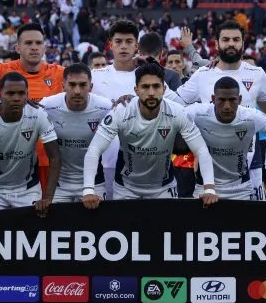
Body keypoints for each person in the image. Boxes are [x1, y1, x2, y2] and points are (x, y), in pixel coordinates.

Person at [176, 21, 266, 200]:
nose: (231, 43)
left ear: (243, 44)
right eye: (226, 39)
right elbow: (176, 103)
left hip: (250, 162)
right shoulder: (203, 74)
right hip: (209, 165)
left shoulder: (256, 73)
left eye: (236, 39)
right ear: (217, 43)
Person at [82, 63, 216, 205]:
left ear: (164, 89)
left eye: (156, 87)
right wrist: (89, 190)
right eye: (145, 87)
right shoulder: (121, 111)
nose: (151, 92)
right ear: (136, 90)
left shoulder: (177, 112)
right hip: (126, 189)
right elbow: (94, 150)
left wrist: (209, 188)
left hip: (164, 188)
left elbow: (201, 149)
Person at [0, 22, 65, 195]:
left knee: (49, 216)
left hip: (49, 159)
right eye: (28, 43)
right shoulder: (1, 71)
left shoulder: (59, 73)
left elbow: (91, 83)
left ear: (45, 47)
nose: (34, 48)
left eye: (38, 43)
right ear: (17, 47)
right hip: (11, 162)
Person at [0, 72, 61, 225]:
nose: (16, 98)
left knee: (33, 236)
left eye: (21, 93)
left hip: (28, 188)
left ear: (27, 95)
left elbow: (55, 157)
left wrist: (47, 198)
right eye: (10, 93)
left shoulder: (38, 115)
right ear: (0, 94)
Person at [186, 77, 266, 201]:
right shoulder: (197, 113)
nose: (227, 106)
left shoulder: (251, 117)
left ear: (240, 99)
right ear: (213, 99)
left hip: (241, 189)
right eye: (221, 100)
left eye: (232, 100)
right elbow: (173, 117)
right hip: (205, 187)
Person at [40, 63, 114, 203]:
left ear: (91, 87)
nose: (77, 91)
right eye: (72, 85)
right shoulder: (47, 105)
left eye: (82, 85)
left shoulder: (105, 107)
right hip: (60, 184)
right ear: (63, 86)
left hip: (95, 183)